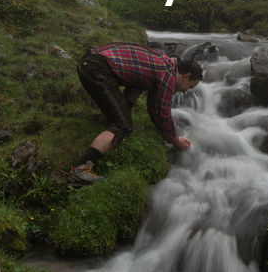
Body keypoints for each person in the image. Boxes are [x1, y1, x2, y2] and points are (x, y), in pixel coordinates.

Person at [70, 41, 202, 184]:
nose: (185, 91)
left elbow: (152, 105)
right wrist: (175, 141)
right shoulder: (167, 75)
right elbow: (162, 112)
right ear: (186, 76)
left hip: (91, 61)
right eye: (189, 86)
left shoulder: (165, 63)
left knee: (136, 87)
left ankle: (116, 117)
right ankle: (81, 169)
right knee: (123, 126)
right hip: (97, 69)